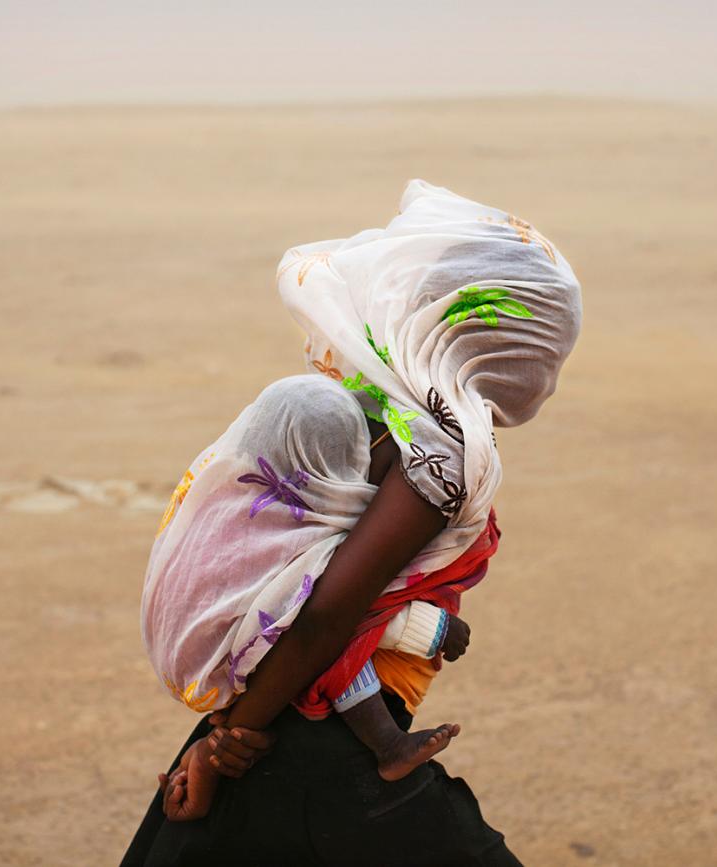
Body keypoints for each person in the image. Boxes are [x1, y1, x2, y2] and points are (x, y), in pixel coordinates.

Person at [123, 179, 582, 866]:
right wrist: (219, 756)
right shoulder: (438, 446)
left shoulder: (376, 399)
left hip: (269, 722)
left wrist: (217, 743)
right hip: (318, 753)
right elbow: (325, 612)